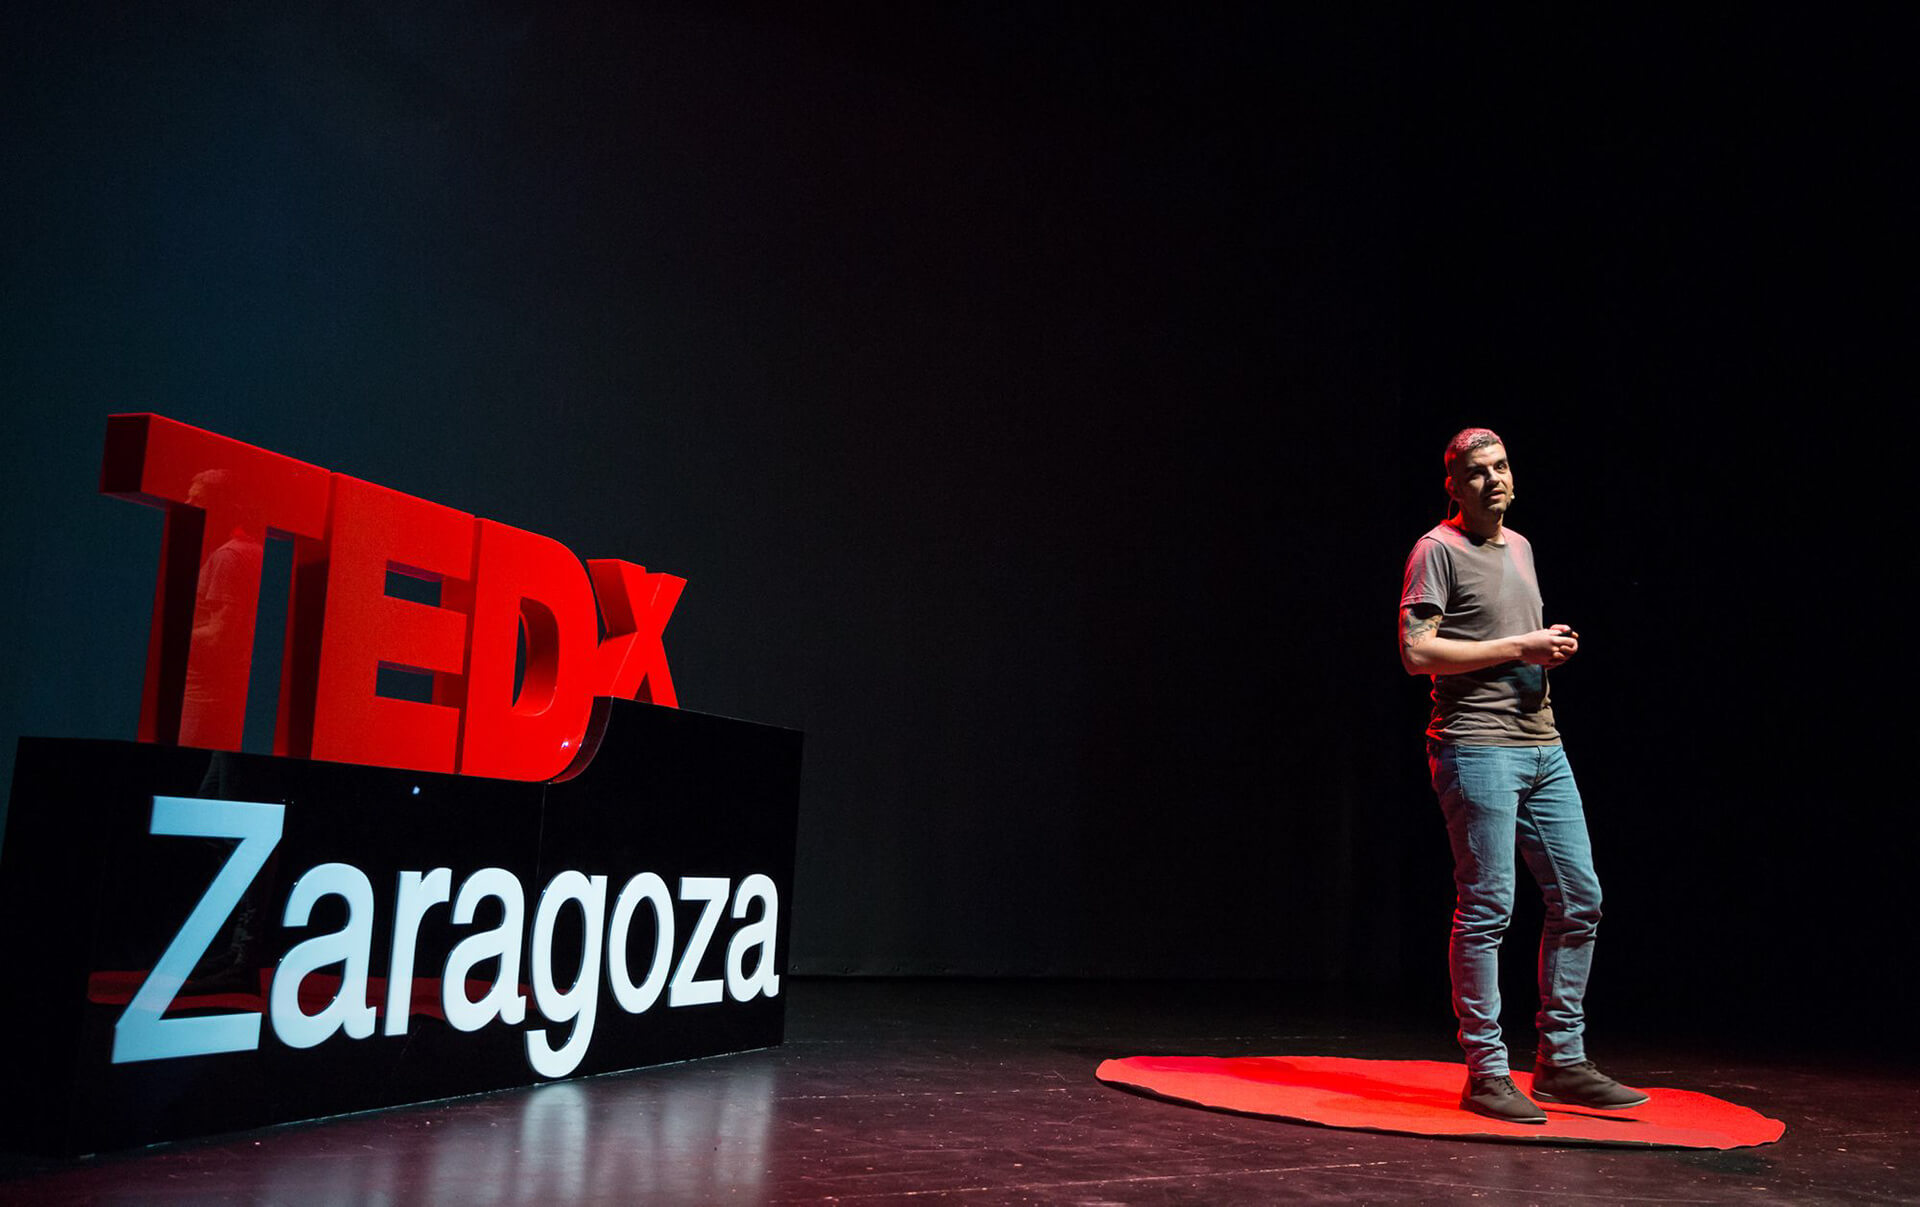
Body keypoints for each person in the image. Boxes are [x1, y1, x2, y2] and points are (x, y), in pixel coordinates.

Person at [1398, 428, 1647, 1124]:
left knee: (1580, 898)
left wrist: (1546, 651)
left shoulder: (1523, 547)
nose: (1493, 479)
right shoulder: (1435, 550)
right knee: (1487, 908)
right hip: (1476, 749)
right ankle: (1485, 1072)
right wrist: (1521, 645)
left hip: (1543, 746)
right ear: (1454, 485)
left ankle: (1561, 1062)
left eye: (1501, 466)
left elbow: (1508, 645)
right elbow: (1418, 653)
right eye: (1476, 472)